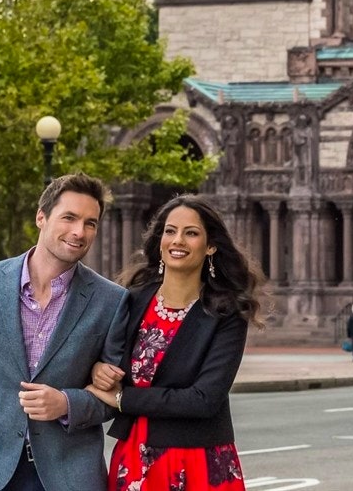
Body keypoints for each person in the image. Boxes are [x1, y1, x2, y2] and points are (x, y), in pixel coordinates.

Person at [0, 173, 128, 491]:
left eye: (90, 223)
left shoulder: (111, 300)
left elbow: (113, 398)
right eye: (69, 217)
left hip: (71, 475)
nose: (79, 232)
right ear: (41, 217)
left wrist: (67, 403)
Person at [86, 194, 265, 491]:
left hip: (198, 461)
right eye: (170, 231)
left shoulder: (227, 313)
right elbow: (104, 359)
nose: (177, 240)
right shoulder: (130, 299)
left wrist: (122, 399)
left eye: (191, 233)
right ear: (160, 240)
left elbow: (204, 400)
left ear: (210, 246)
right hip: (134, 457)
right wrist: (98, 369)